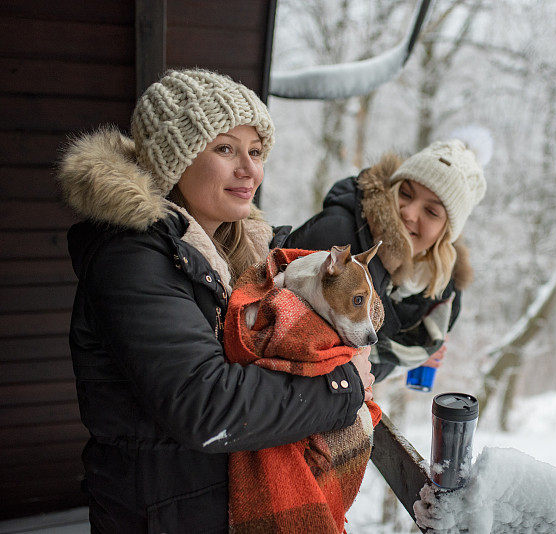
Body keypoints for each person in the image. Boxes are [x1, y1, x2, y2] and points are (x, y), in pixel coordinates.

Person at [56, 69, 373, 533]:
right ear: (174, 160)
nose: (249, 169)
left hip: (211, 506)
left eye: (256, 152)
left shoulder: (241, 252)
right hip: (165, 515)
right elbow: (204, 405)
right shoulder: (132, 257)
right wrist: (342, 388)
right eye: (225, 149)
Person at [285, 139, 487, 382]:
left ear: (447, 232)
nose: (409, 213)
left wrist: (406, 362)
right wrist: (397, 366)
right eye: (405, 193)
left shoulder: (439, 288)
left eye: (431, 211)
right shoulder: (340, 236)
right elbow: (310, 353)